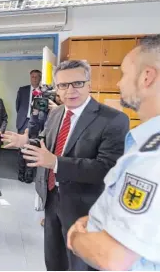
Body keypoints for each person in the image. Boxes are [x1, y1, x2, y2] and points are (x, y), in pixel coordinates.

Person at [2, 60, 130, 271]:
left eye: (77, 83)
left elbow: (106, 169)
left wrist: (55, 163)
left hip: (85, 207)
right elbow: (46, 141)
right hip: (52, 198)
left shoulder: (113, 120)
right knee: (54, 259)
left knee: (80, 264)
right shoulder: (56, 113)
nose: (70, 90)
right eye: (63, 85)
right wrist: (26, 141)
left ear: (89, 83)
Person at [67, 34, 160, 271]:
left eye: (125, 74)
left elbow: (112, 257)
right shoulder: (145, 142)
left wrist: (75, 238)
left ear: (147, 77)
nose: (118, 83)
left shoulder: (151, 158)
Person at [15, 70, 41, 182]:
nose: (34, 79)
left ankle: (29, 175)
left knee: (32, 149)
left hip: (36, 124)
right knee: (21, 149)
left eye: (36, 77)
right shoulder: (23, 90)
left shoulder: (43, 91)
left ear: (40, 78)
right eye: (32, 77)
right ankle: (21, 173)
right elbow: (18, 105)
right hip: (23, 122)